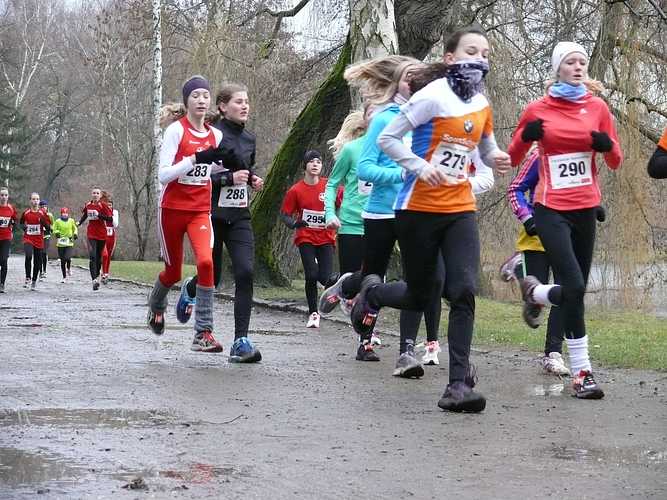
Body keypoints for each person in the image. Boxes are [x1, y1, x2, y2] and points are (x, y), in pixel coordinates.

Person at [348, 28, 510, 411]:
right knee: (420, 295)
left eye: (485, 53)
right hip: (418, 209)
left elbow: (486, 149)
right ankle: (372, 295)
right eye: (472, 51)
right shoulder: (431, 97)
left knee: (464, 290)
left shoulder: (481, 103)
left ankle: (457, 386)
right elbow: (388, 139)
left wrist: (497, 157)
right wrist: (419, 167)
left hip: (459, 209)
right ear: (450, 58)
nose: (480, 58)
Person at [508, 41, 623, 399]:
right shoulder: (537, 109)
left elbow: (616, 161)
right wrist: (526, 137)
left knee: (577, 290)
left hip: (585, 209)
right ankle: (583, 373)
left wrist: (606, 145)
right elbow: (513, 157)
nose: (578, 67)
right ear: (557, 68)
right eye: (570, 62)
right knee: (572, 285)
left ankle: (535, 291)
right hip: (550, 208)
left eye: (582, 62)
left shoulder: (598, 108)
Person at [147, 75, 241, 353]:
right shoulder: (176, 131)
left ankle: (203, 332)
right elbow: (164, 175)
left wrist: (235, 170)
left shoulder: (216, 135)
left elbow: (212, 168)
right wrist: (194, 159)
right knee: (173, 272)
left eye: (205, 96)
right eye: (195, 96)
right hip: (172, 210)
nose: (201, 100)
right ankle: (156, 305)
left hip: (199, 210)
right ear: (187, 101)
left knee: (206, 263)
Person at [178, 82, 264, 363]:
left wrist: (252, 179)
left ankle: (240, 341)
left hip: (239, 216)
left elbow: (245, 169)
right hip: (210, 215)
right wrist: (228, 178)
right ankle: (191, 289)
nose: (245, 106)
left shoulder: (249, 138)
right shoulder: (212, 136)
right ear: (223, 107)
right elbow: (196, 178)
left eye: (247, 101)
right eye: (239, 101)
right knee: (211, 278)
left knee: (245, 272)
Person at [281, 150, 338, 328]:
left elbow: (345, 201)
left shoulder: (329, 186)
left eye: (318, 162)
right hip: (305, 237)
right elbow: (285, 214)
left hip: (326, 237)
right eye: (311, 161)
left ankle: (338, 288)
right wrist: (294, 223)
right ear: (305, 166)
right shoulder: (295, 190)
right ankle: (313, 313)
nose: (315, 164)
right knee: (311, 275)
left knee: (326, 278)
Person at [323, 109, 370, 279]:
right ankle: (340, 288)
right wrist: (330, 214)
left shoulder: (393, 148)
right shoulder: (351, 150)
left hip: (381, 223)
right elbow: (332, 184)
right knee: (350, 281)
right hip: (352, 224)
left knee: (374, 281)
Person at [78, 187, 113, 290]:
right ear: (91, 194)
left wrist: (100, 216)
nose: (95, 195)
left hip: (102, 234)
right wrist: (79, 222)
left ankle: (96, 275)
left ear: (100, 195)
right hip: (91, 234)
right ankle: (94, 280)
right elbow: (85, 214)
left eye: (97, 193)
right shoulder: (88, 205)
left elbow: (110, 218)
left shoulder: (103, 205)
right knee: (92, 255)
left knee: (98, 258)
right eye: (94, 193)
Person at [20, 193, 51, 291]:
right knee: (28, 255)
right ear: (30, 201)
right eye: (33, 199)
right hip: (28, 238)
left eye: (37, 199)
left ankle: (34, 280)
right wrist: (24, 228)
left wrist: (45, 225)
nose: (35, 201)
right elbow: (21, 223)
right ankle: (28, 277)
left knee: (38, 261)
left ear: (39, 201)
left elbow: (48, 226)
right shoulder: (26, 213)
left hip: (38, 239)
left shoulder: (42, 213)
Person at [52, 207, 78, 283]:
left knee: (68, 257)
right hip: (60, 243)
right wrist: (56, 232)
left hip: (69, 242)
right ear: (61, 214)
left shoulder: (71, 221)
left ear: (68, 214)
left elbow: (75, 228)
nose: (65, 214)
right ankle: (64, 277)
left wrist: (75, 234)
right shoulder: (57, 221)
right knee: (63, 261)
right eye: (63, 213)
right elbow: (54, 229)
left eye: (66, 213)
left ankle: (68, 268)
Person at [0, 187, 17, 293]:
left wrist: (12, 226)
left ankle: (2, 284)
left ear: (8, 196)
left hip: (6, 238)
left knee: (4, 260)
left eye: (5, 195)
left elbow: (15, 220)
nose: (3, 197)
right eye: (2, 195)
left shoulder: (11, 208)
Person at [101, 196, 119, 284]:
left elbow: (116, 225)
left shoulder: (115, 212)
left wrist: (111, 215)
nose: (109, 207)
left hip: (112, 235)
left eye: (110, 205)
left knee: (108, 255)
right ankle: (103, 272)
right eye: (107, 205)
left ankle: (106, 273)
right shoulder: (102, 211)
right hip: (103, 235)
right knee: (105, 255)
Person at [38, 200, 54, 280]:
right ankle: (40, 271)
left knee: (44, 252)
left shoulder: (49, 215)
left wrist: (51, 229)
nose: (44, 208)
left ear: (47, 207)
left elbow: (52, 224)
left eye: (45, 206)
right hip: (39, 236)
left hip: (46, 235)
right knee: (40, 254)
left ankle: (44, 270)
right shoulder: (38, 214)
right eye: (42, 206)